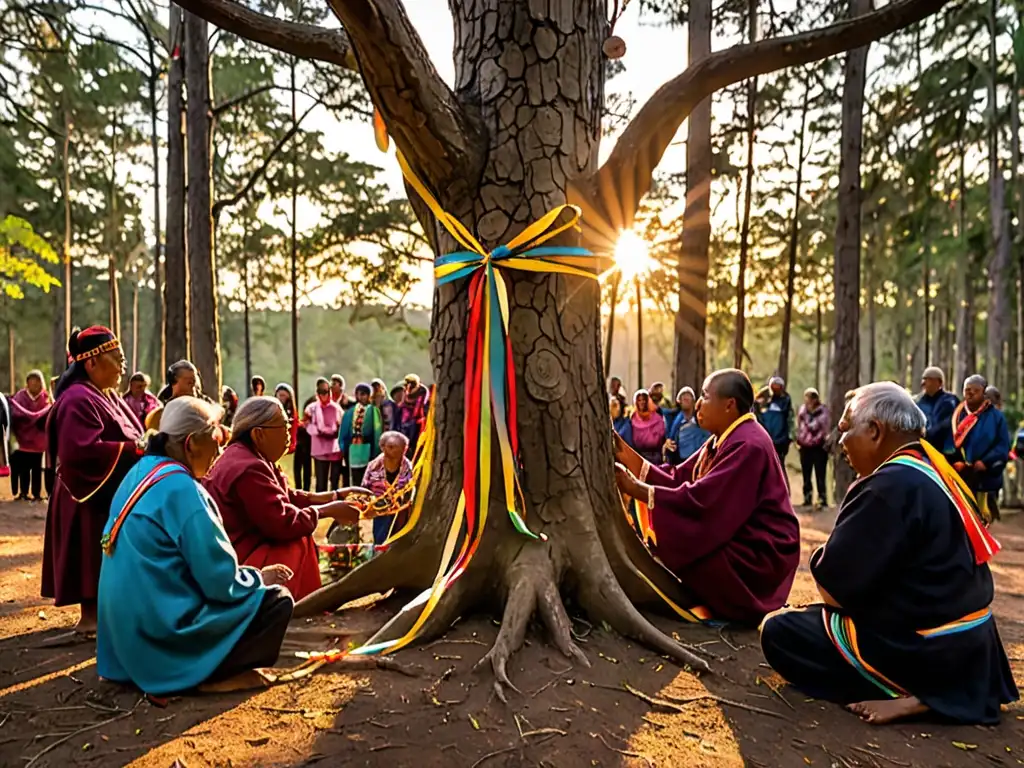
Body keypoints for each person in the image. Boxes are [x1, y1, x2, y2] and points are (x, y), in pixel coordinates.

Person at [760, 382, 1017, 726]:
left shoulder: (889, 485)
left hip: (929, 648)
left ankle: (920, 694)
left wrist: (822, 555)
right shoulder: (931, 468)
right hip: (972, 643)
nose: (840, 443)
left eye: (846, 429)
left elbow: (836, 593)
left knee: (780, 631)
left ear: (876, 431)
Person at [97, 397, 296, 694]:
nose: (219, 449)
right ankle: (208, 677)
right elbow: (219, 582)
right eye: (214, 438)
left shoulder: (137, 473)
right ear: (191, 444)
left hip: (121, 643)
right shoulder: (183, 489)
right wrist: (258, 577)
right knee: (277, 601)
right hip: (161, 635)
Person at [614, 369, 799, 624]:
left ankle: (733, 605)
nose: (698, 403)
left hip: (760, 557)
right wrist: (623, 453)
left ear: (729, 405)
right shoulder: (723, 438)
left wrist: (637, 490)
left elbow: (704, 503)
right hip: (740, 536)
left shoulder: (748, 444)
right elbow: (679, 477)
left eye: (704, 395)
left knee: (686, 533)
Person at [203, 397, 362, 601]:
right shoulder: (248, 467)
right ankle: (295, 603)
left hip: (240, 550)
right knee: (297, 540)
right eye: (284, 426)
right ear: (258, 434)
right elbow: (283, 523)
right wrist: (329, 510)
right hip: (237, 560)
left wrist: (336, 495)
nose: (289, 433)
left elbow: (284, 495)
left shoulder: (250, 457)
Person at [42, 327, 143, 635]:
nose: (123, 365)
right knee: (91, 555)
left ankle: (108, 616)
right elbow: (80, 452)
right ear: (92, 363)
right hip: (86, 492)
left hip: (107, 488)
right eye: (117, 358)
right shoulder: (77, 399)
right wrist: (137, 448)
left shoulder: (106, 395)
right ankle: (91, 620)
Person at [950, 375, 1010, 523]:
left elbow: (1003, 446)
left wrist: (986, 462)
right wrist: (955, 462)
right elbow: (947, 444)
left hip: (985, 477)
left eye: (975, 390)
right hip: (959, 476)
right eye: (967, 390)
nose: (970, 394)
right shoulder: (957, 415)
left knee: (982, 518)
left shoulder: (996, 418)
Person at [362, 431, 414, 545]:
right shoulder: (374, 466)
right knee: (381, 536)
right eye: (391, 447)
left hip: (400, 511)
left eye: (400, 447)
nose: (395, 450)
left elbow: (412, 489)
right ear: (383, 448)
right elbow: (364, 487)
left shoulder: (408, 468)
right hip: (379, 509)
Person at [10, 370, 51, 501]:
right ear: (27, 383)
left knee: (37, 470)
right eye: (31, 381)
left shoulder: (46, 397)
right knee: (24, 470)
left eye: (37, 381)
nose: (34, 384)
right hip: (24, 442)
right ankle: (23, 492)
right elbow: (15, 414)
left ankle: (36, 493)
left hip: (38, 443)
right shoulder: (20, 397)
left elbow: (49, 415)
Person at [339, 383, 383, 487]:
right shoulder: (350, 412)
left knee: (367, 477)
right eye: (357, 394)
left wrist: (376, 450)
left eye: (363, 394)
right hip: (353, 450)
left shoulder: (373, 410)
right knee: (354, 478)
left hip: (368, 448)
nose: (360, 397)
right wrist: (344, 447)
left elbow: (376, 431)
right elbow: (344, 431)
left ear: (369, 395)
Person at [306, 378, 344, 492]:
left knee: (334, 483)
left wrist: (333, 432)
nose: (324, 394)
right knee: (321, 483)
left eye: (326, 391)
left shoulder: (336, 408)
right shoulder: (311, 408)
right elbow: (307, 425)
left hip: (334, 449)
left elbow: (341, 426)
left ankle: (335, 507)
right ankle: (320, 507)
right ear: (317, 392)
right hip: (319, 450)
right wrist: (320, 431)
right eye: (321, 391)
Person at [796, 388, 830, 509]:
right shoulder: (802, 410)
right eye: (806, 398)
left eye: (810, 398)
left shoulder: (823, 412)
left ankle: (822, 498)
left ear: (815, 399)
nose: (807, 401)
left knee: (820, 474)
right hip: (805, 447)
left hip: (818, 447)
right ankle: (807, 497)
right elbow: (799, 426)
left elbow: (819, 428)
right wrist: (799, 439)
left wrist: (815, 440)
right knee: (806, 473)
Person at [916, 367, 959, 453]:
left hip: (947, 450)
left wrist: (930, 434)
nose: (923, 383)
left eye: (928, 379)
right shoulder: (918, 402)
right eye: (923, 379)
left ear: (938, 382)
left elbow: (950, 422)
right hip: (923, 448)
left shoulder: (950, 401)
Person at [756, 376, 794, 469]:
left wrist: (789, 438)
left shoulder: (785, 401)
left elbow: (790, 421)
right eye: (773, 387)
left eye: (778, 387)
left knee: (779, 467)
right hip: (764, 440)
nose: (775, 389)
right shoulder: (762, 400)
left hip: (780, 441)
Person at [665, 387, 709, 463]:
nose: (686, 397)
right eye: (683, 397)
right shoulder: (674, 422)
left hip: (699, 460)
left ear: (693, 401)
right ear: (679, 402)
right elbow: (670, 441)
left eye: (688, 396)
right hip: (681, 462)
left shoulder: (702, 419)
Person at [628, 389, 665, 465]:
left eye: (644, 400)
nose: (642, 402)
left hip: (655, 457)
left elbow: (660, 437)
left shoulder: (657, 419)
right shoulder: (632, 419)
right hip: (638, 457)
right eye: (639, 400)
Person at [395, 374, 429, 455]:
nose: (408, 388)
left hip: (418, 432)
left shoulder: (424, 399)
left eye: (411, 385)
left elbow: (425, 416)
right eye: (406, 385)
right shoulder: (404, 397)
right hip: (404, 430)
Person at [294, 392, 315, 492]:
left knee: (306, 468)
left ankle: (305, 490)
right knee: (301, 467)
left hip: (309, 446)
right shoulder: (302, 426)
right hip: (302, 445)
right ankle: (301, 489)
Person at [274, 383, 299, 454]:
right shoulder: (274, 409)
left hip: (289, 445)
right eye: (280, 395)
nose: (281, 398)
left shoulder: (292, 412)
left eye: (283, 396)